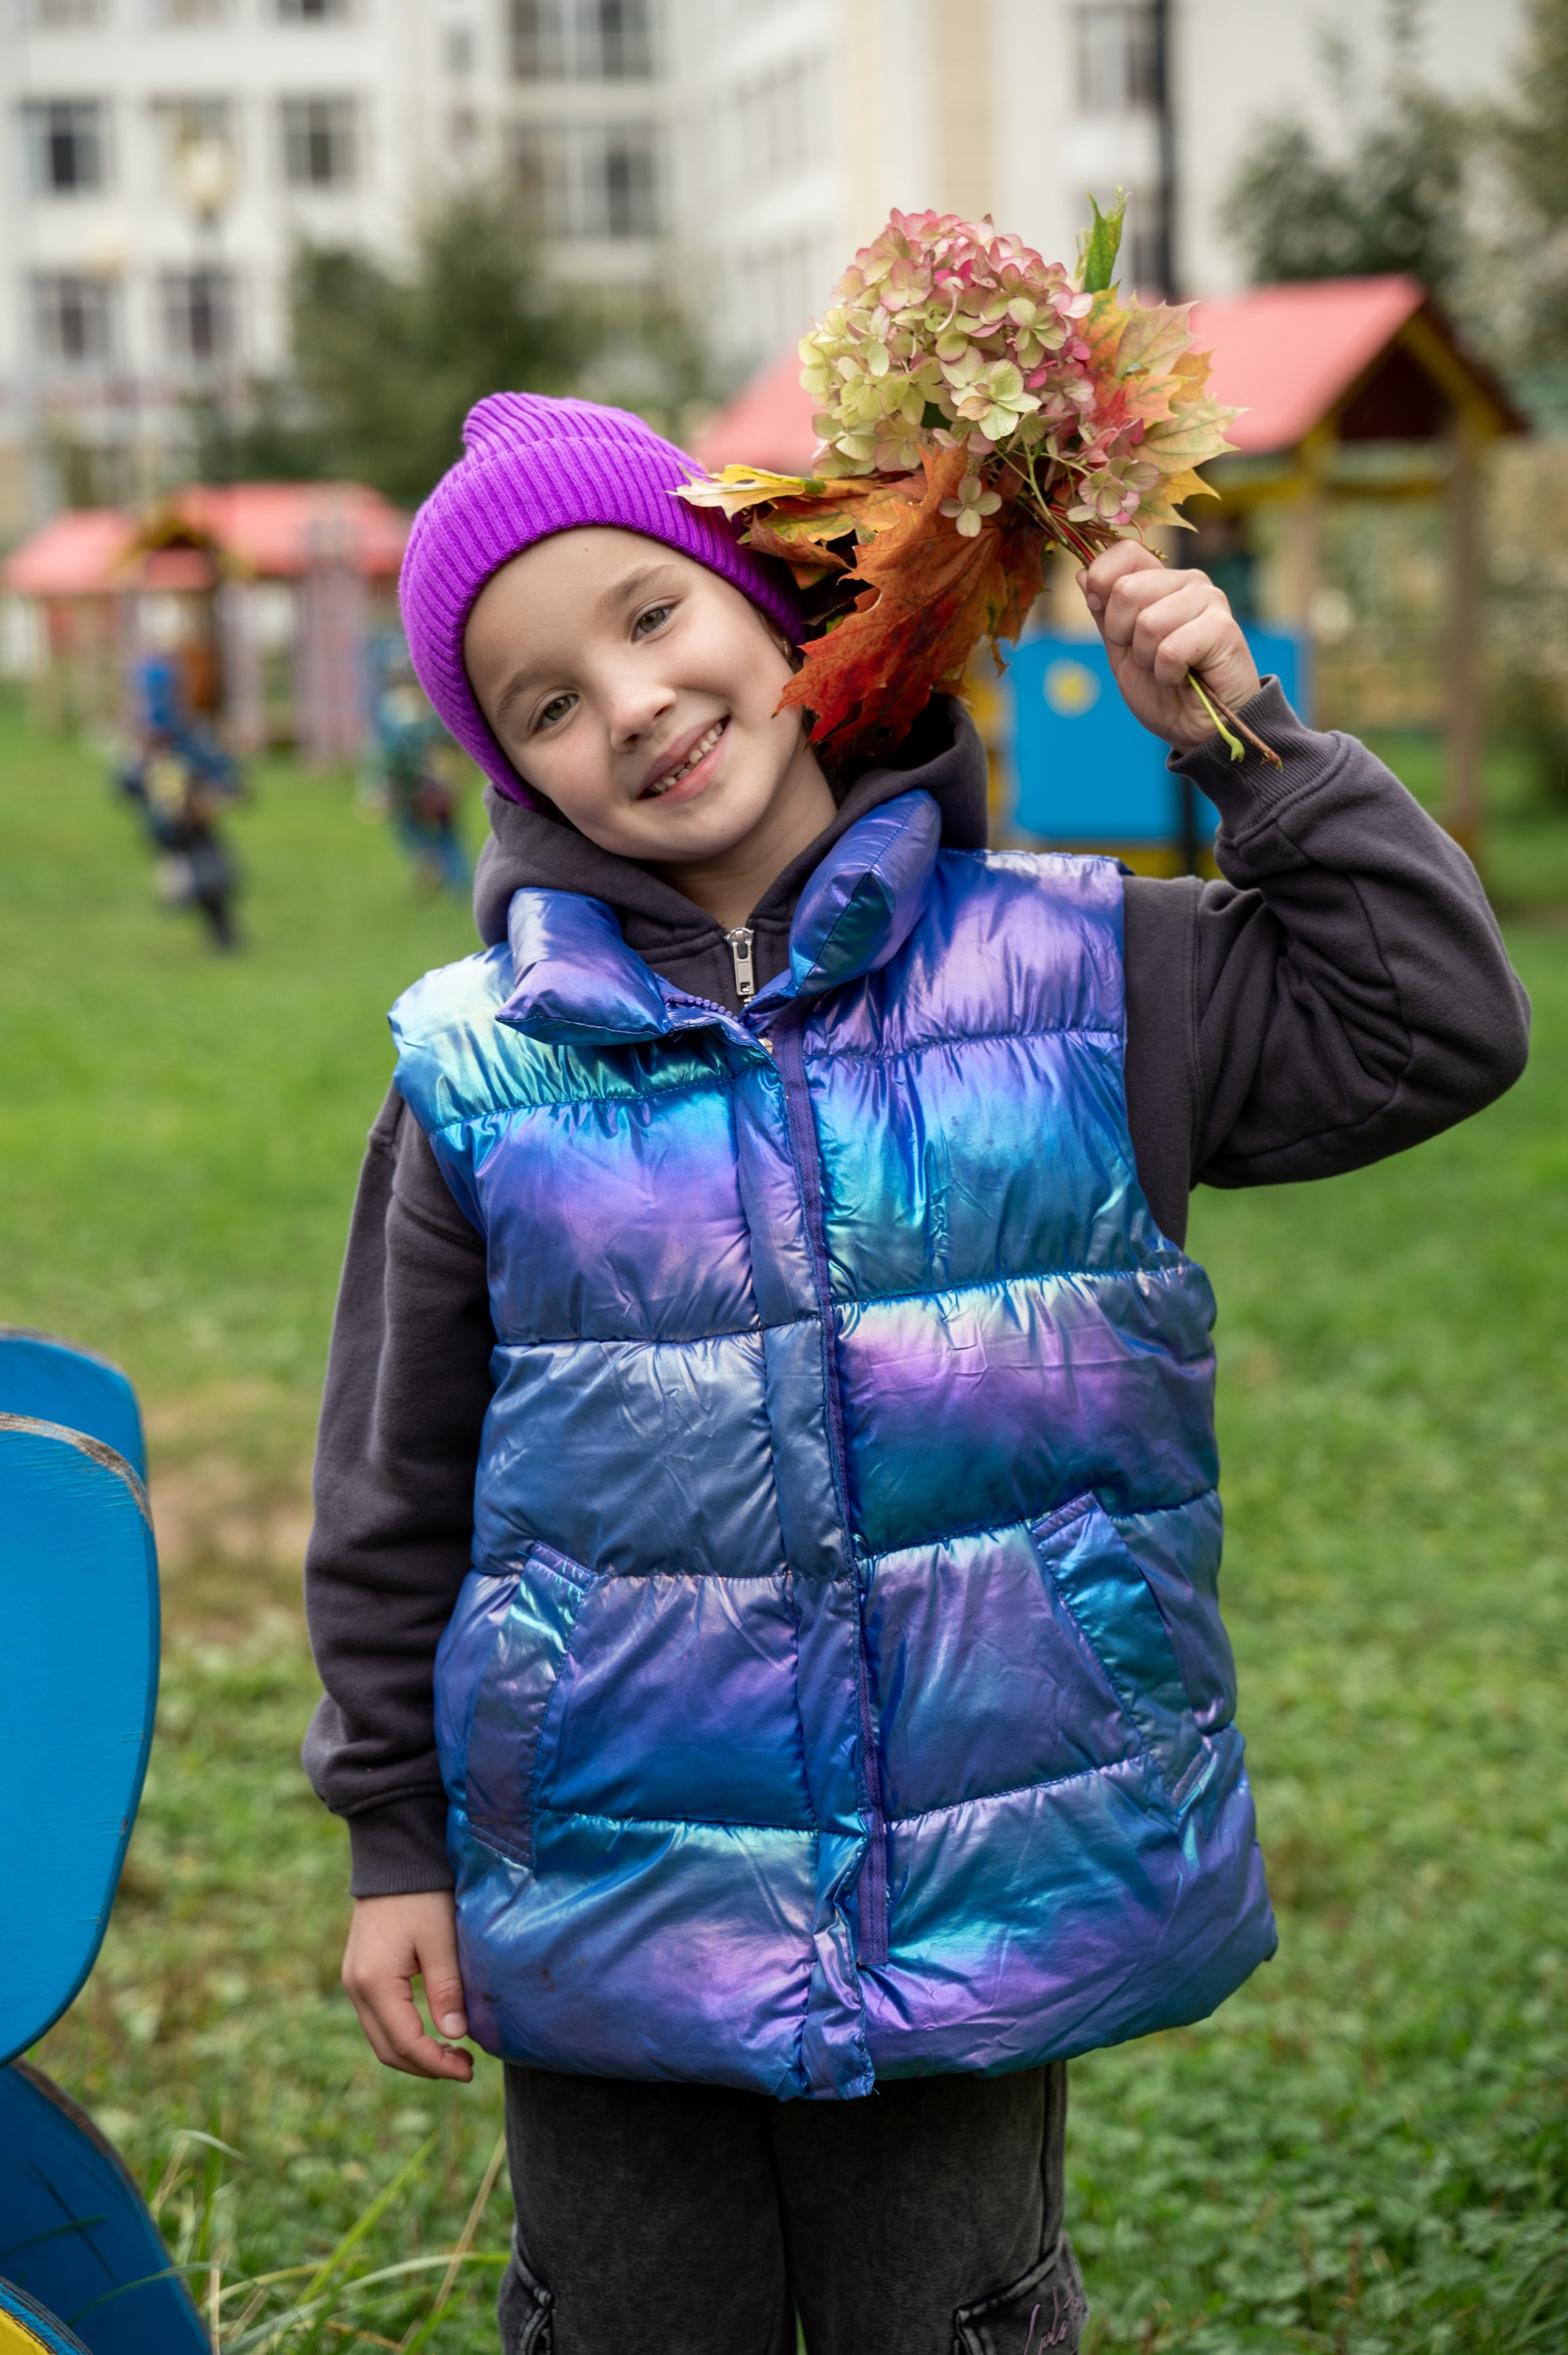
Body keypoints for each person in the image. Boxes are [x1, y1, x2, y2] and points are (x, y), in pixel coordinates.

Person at [302, 394, 1529, 2355]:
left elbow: (1433, 1023)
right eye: (538, 703)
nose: (622, 702)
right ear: (509, 774)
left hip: (985, 1849)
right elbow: (393, 1483)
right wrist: (391, 1840)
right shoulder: (477, 1072)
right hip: (613, 1863)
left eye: (648, 617)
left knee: (944, 2319)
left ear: (783, 614)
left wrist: (1235, 742)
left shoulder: (1080, 971)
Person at [117, 655, 246, 951]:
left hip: (197, 826)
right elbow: (124, 787)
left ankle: (224, 937)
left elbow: (227, 777)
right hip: (165, 834)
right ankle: (184, 890)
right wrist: (140, 766)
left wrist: (213, 794)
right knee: (186, 886)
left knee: (216, 881)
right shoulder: (137, 747)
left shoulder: (191, 739)